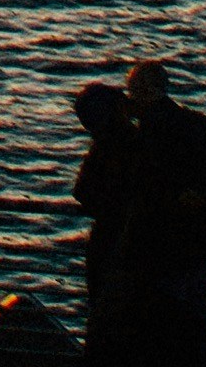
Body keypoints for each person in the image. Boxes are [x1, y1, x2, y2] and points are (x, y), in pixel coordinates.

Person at [117, 64, 206, 366]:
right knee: (200, 316)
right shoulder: (201, 125)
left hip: (162, 245)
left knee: (165, 322)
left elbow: (140, 189)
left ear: (145, 90)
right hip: (201, 239)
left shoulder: (147, 134)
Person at [68, 84, 141, 363]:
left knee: (101, 319)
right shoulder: (135, 142)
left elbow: (82, 191)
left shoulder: (105, 145)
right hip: (132, 244)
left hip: (107, 241)